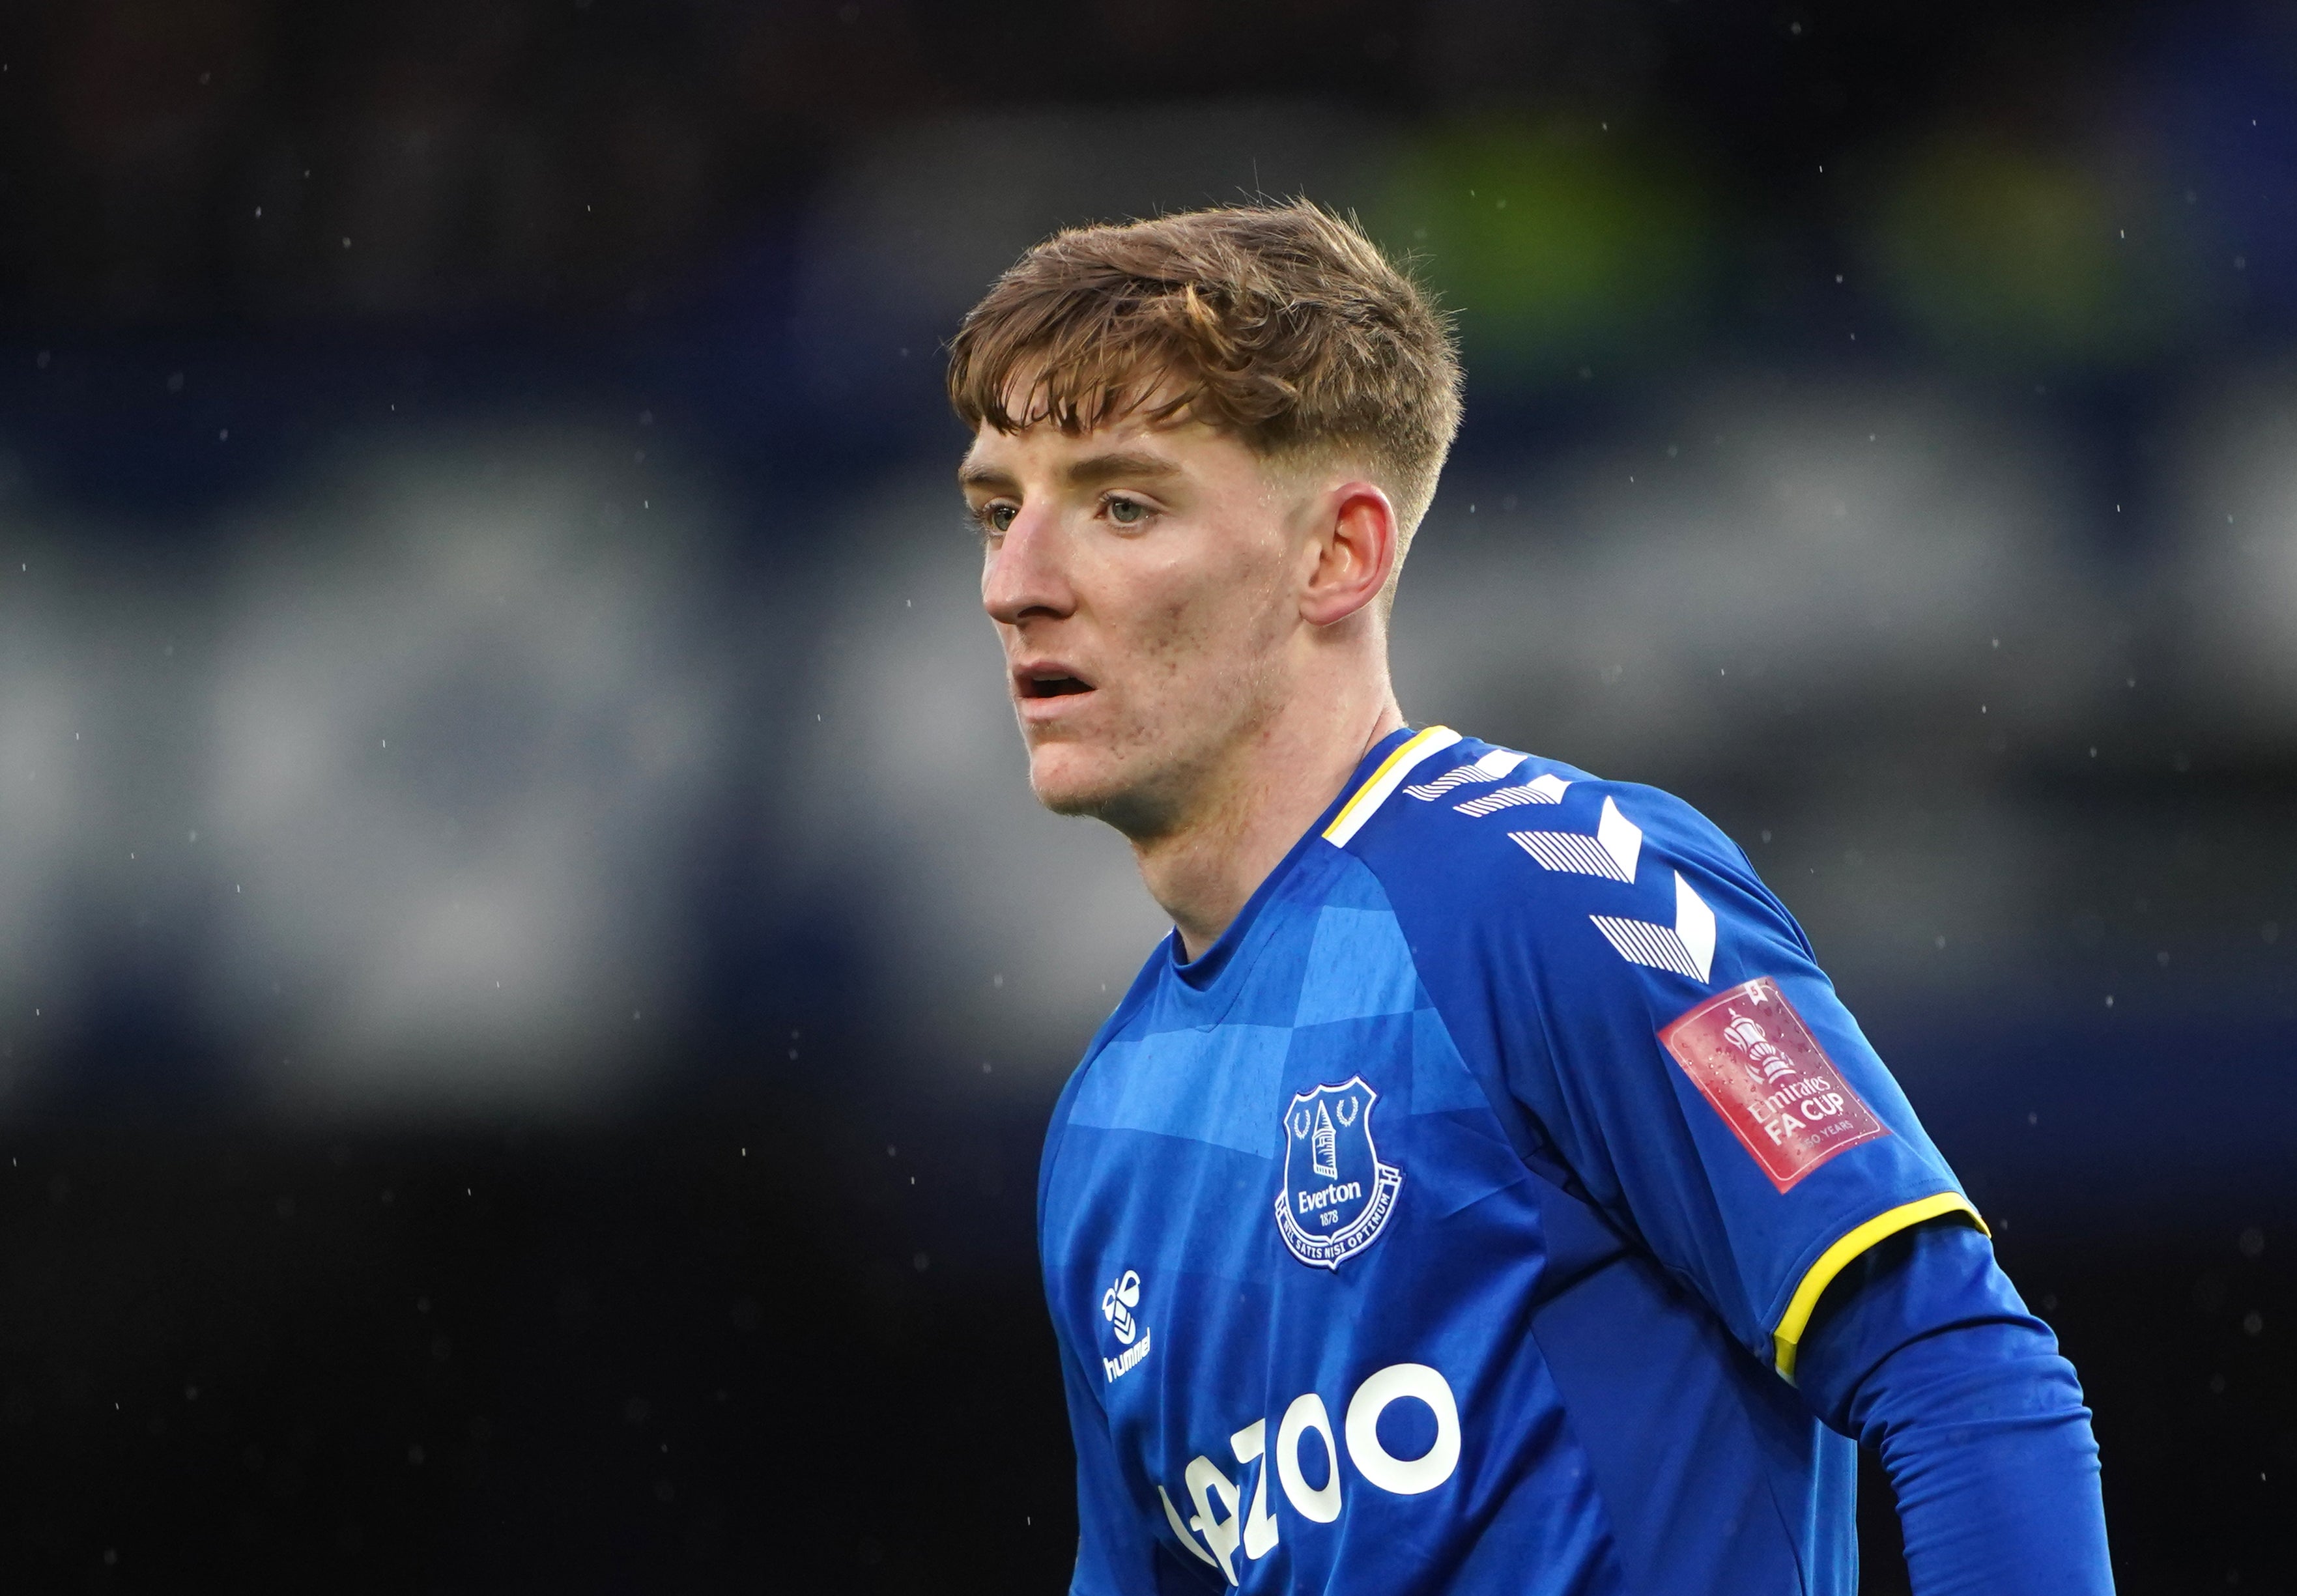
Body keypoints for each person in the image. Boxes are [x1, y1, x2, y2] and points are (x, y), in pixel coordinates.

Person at [947, 202, 2113, 1595]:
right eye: (996, 512)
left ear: (1338, 556)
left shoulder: (1557, 889)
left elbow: (1963, 1380)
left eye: (1121, 505)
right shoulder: (1107, 1118)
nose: (1015, 585)